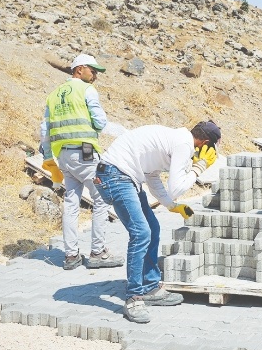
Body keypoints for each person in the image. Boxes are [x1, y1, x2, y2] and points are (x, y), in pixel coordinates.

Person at [94, 121, 221, 323]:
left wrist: (171, 206)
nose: (197, 155)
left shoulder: (173, 141)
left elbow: (152, 177)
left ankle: (150, 286)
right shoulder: (183, 144)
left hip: (124, 175)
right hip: (115, 175)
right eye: (205, 150)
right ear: (204, 142)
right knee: (141, 233)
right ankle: (134, 297)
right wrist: (199, 167)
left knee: (152, 228)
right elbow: (177, 187)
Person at [40, 53, 123, 271]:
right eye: (92, 70)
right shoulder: (87, 90)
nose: (95, 75)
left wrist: (49, 157)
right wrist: (95, 129)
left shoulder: (54, 94)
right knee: (101, 199)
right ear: (80, 69)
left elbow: (44, 130)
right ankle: (97, 252)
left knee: (71, 202)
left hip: (63, 156)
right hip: (85, 152)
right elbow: (100, 121)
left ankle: (70, 256)